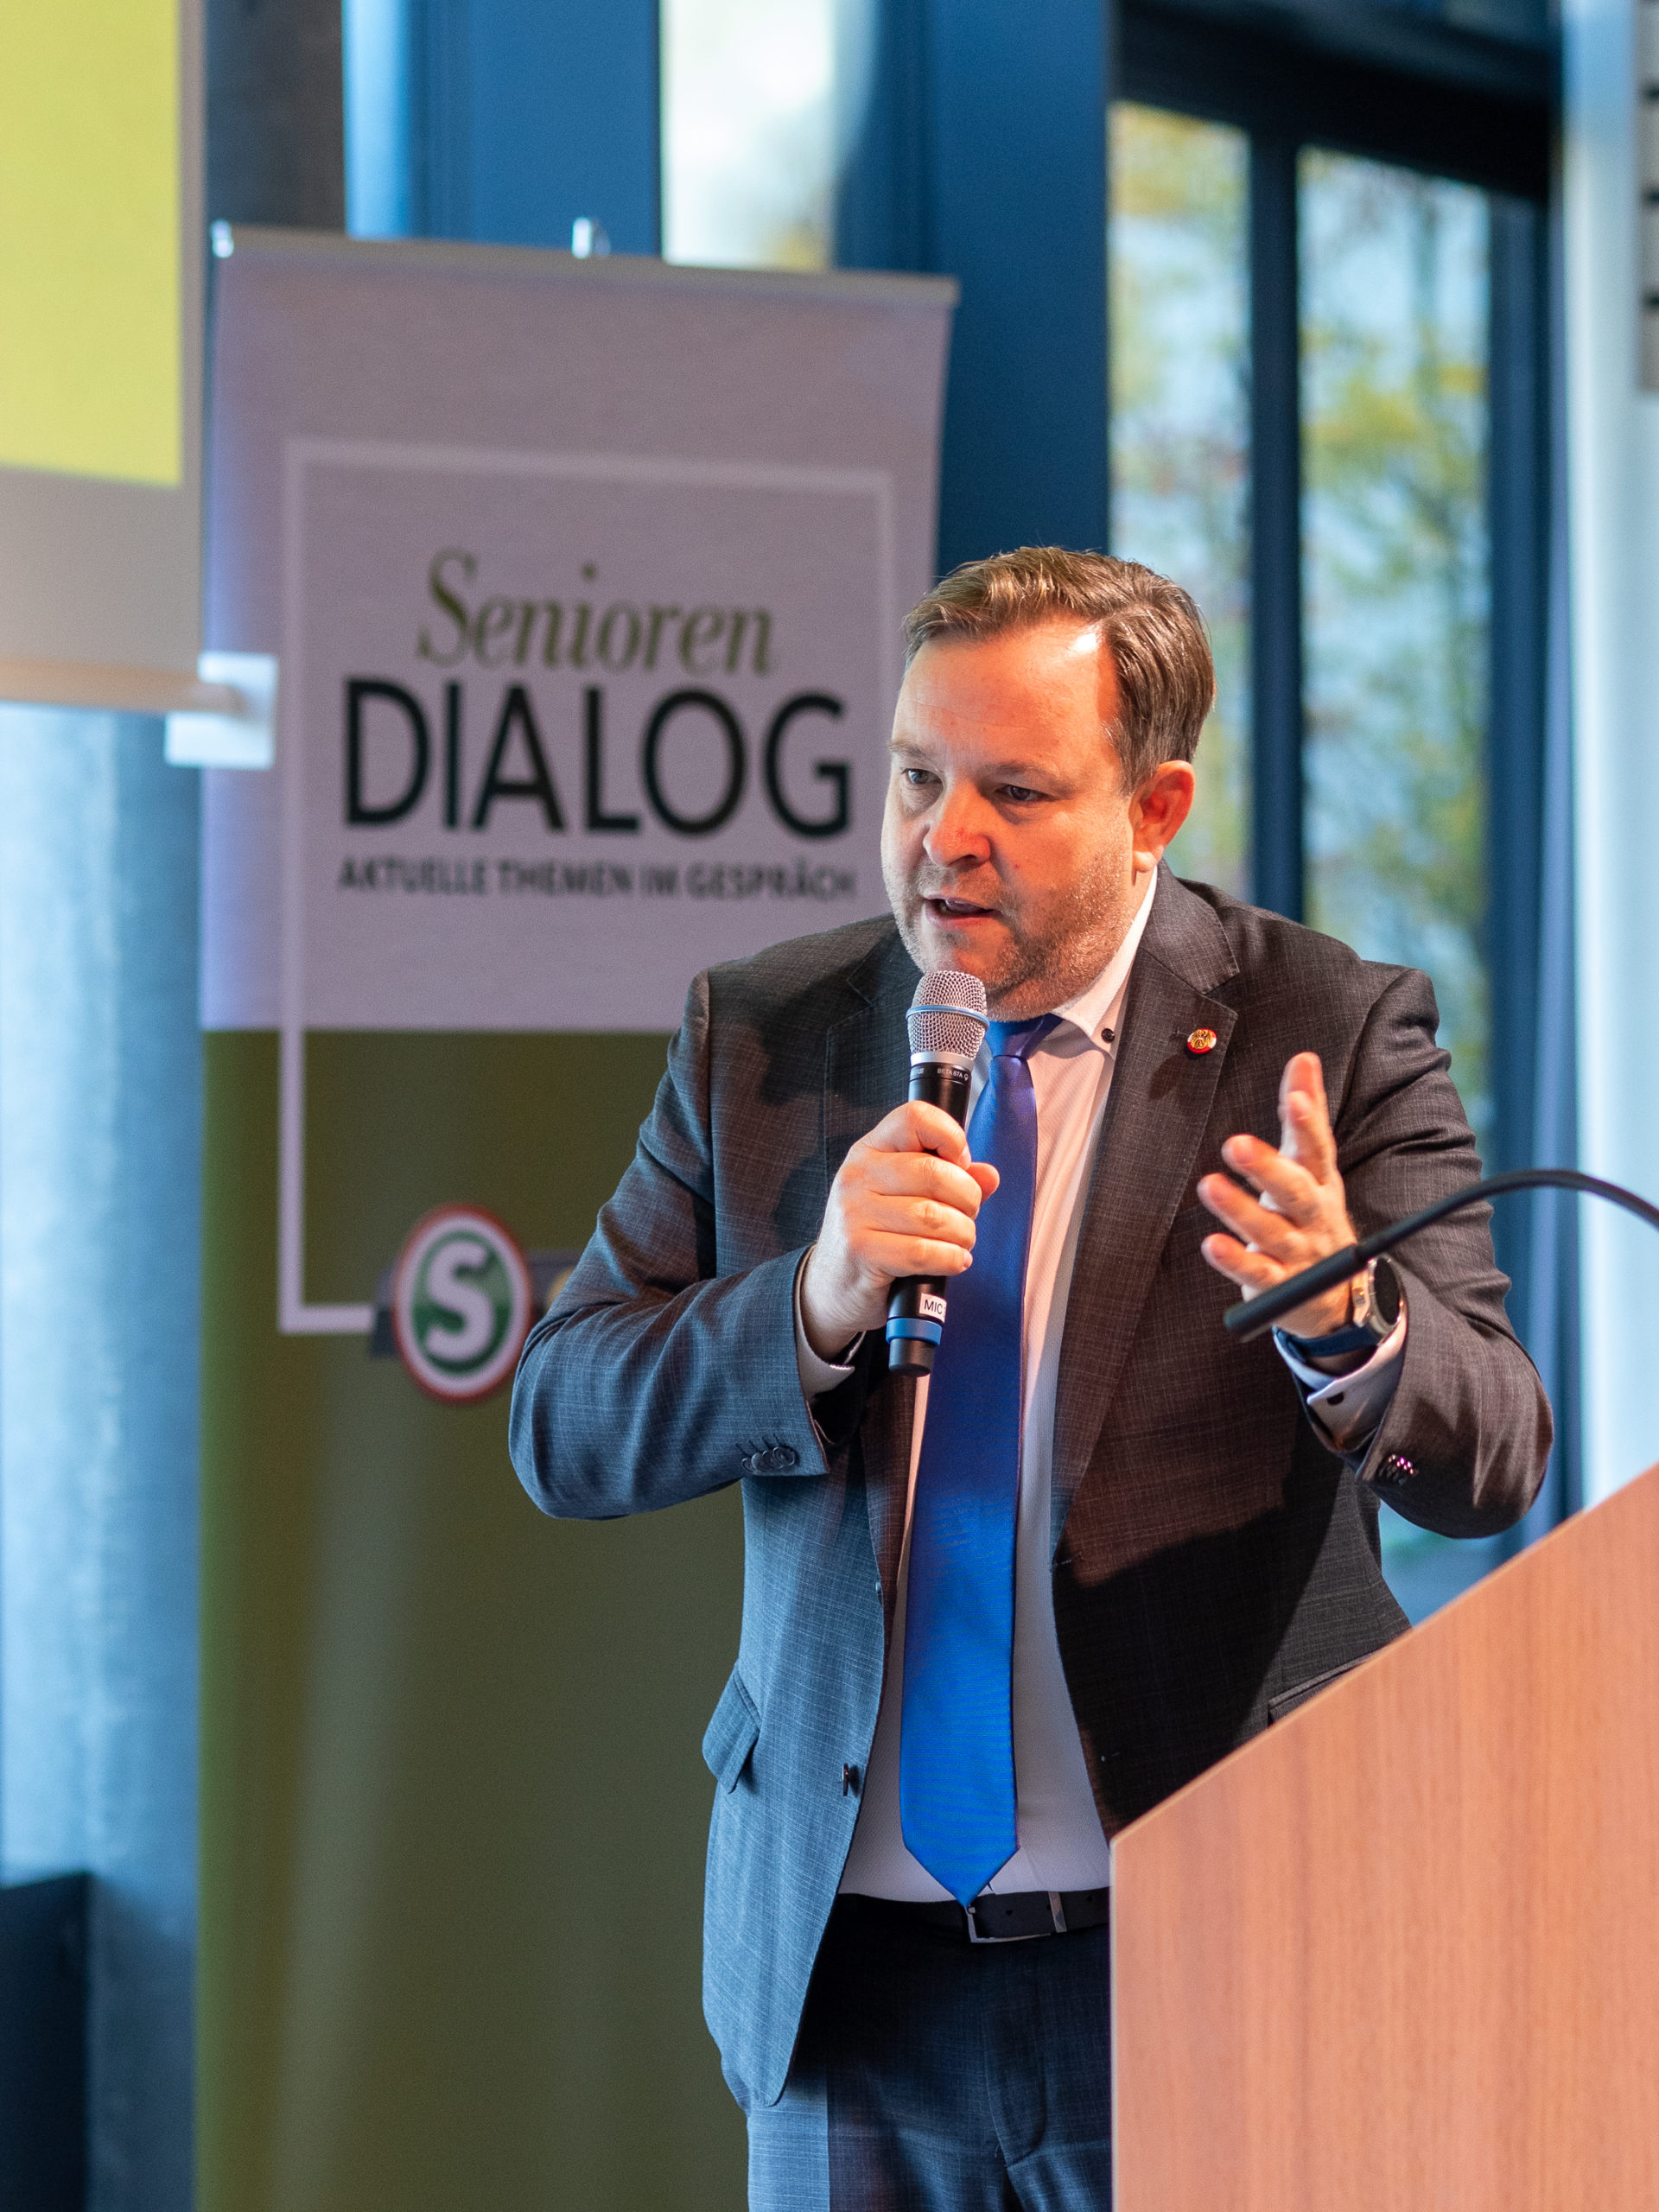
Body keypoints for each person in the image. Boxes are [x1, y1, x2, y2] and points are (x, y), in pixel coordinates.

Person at [509, 548, 1550, 2209]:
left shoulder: (1322, 1030)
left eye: (1015, 790)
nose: (945, 838)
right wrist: (811, 1306)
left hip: (1211, 1956)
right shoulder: (763, 1033)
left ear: (1155, 809)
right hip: (847, 1988)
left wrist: (1349, 1321)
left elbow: (1494, 1453)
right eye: (917, 777)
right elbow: (561, 1425)